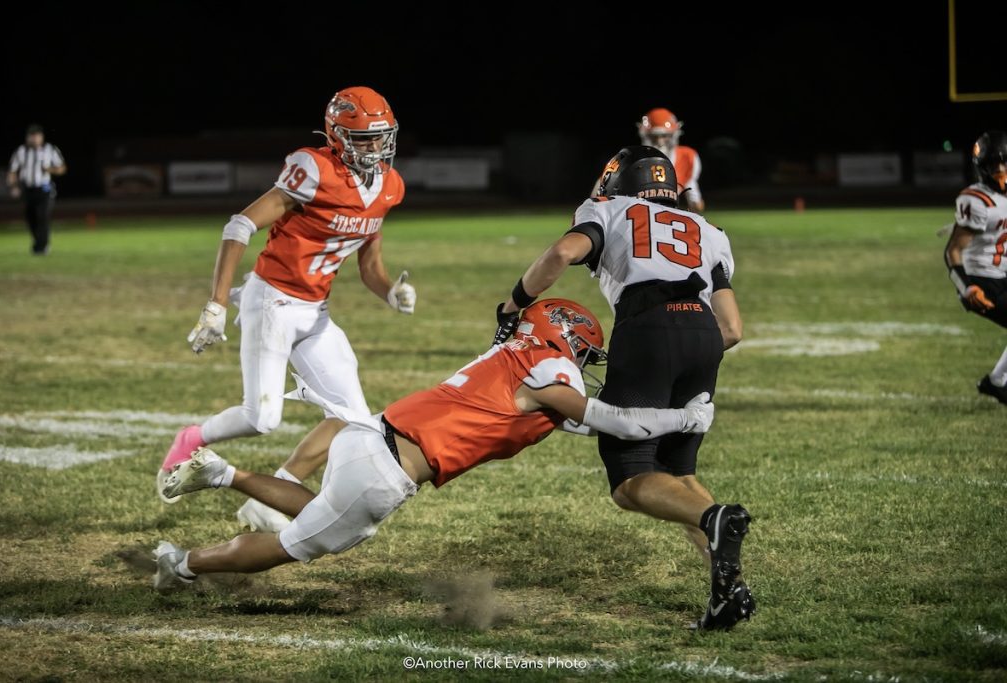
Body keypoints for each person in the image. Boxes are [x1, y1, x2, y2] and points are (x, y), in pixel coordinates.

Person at [152, 299, 716, 599]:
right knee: (290, 546)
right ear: (568, 340)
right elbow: (611, 421)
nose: (584, 366)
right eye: (584, 353)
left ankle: (224, 473)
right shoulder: (551, 371)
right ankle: (181, 564)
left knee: (322, 509)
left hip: (369, 436)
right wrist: (684, 416)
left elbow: (568, 422)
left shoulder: (510, 361)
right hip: (387, 470)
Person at [495, 145, 752, 630]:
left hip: (646, 327)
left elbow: (562, 253)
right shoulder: (709, 231)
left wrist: (512, 305)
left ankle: (715, 518)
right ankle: (730, 589)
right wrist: (689, 344)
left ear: (617, 184)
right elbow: (733, 328)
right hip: (704, 334)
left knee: (631, 481)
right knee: (677, 470)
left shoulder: (608, 210)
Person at [157, 86, 417, 533]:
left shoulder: (389, 186)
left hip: (316, 311)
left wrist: (390, 292)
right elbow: (239, 224)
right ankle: (192, 440)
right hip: (272, 300)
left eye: (380, 136)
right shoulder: (313, 167)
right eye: (362, 137)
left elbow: (368, 261)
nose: (373, 146)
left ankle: (275, 493)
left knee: (353, 419)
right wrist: (217, 304)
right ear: (337, 135)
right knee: (262, 419)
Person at [944, 130, 1007, 404]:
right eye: (994, 165)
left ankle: (996, 382)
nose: (1001, 170)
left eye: (1005, 163)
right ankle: (996, 382)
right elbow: (953, 251)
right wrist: (966, 287)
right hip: (981, 280)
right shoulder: (977, 200)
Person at [7, 124, 66, 255]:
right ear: (27, 137)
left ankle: (41, 247)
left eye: (36, 136)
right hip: (27, 189)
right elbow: (12, 171)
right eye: (31, 136)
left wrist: (49, 169)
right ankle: (39, 241)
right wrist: (13, 186)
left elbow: (62, 168)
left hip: (44, 188)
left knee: (43, 216)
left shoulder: (50, 149)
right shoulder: (21, 151)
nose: (34, 139)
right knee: (30, 218)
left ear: (41, 137)